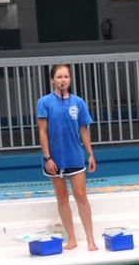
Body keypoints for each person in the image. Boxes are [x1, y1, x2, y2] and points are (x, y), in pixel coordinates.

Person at [35, 63, 98, 251]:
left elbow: (84, 129)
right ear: (52, 80)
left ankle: (90, 239)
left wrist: (91, 154)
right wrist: (48, 158)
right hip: (55, 157)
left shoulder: (78, 102)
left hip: (75, 155)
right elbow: (43, 132)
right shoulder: (44, 102)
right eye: (59, 77)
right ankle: (72, 238)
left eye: (66, 77)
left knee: (81, 196)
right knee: (62, 197)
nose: (63, 80)